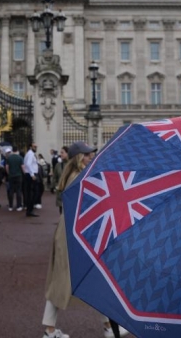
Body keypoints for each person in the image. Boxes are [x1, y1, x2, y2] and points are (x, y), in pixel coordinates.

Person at [43, 141, 128, 338]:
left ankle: (107, 325)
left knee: (89, 278)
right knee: (70, 280)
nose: (91, 158)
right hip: (74, 235)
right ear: (80, 157)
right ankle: (49, 330)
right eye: (88, 155)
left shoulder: (74, 176)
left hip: (72, 232)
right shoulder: (79, 177)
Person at [5, 148, 24, 212]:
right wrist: (24, 173)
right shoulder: (20, 158)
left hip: (11, 176)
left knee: (11, 191)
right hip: (18, 175)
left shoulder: (9, 158)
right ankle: (19, 206)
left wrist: (9, 173)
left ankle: (10, 206)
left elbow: (7, 167)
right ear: (17, 151)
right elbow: (22, 167)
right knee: (18, 191)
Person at [52, 147, 69, 213]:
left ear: (68, 153)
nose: (60, 154)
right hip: (61, 192)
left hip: (70, 192)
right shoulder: (58, 165)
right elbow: (54, 177)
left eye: (62, 152)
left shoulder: (73, 165)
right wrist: (55, 186)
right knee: (61, 213)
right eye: (60, 152)